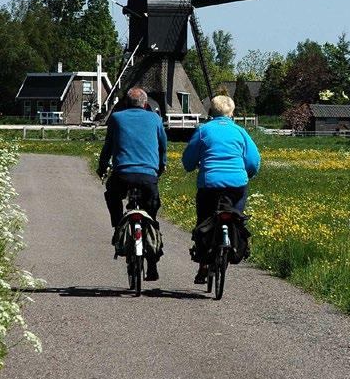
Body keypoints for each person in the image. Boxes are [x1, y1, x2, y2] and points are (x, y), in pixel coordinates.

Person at [182, 94, 260, 284]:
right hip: (237, 185)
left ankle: (203, 264)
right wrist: (246, 174)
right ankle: (235, 239)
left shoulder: (203, 131)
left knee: (204, 220)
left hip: (210, 184)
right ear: (232, 113)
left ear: (211, 112)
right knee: (236, 216)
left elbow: (189, 161)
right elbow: (253, 161)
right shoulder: (241, 132)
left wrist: (193, 166)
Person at [97, 87, 167, 281]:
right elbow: (163, 146)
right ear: (146, 104)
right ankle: (152, 263)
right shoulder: (155, 119)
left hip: (123, 175)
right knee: (151, 217)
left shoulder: (117, 118)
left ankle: (119, 227)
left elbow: (108, 147)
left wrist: (102, 168)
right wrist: (160, 167)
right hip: (148, 177)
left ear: (126, 103)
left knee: (112, 195)